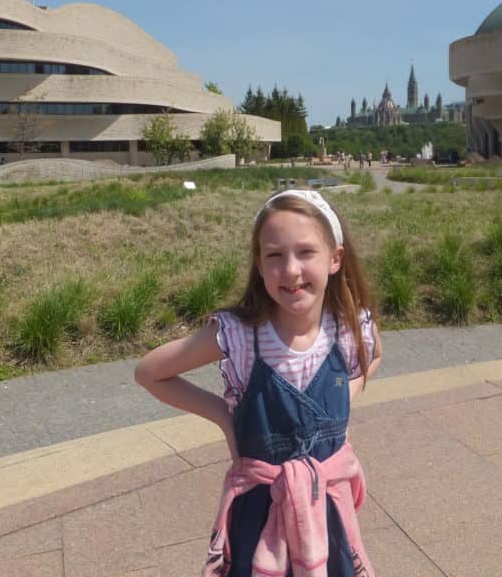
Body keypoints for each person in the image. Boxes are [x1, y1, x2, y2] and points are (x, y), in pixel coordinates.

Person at [135, 190, 381, 575]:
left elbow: (374, 354)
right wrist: (223, 415)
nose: (291, 269)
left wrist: (345, 399)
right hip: (260, 513)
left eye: (306, 252)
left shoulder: (349, 327)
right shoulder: (241, 336)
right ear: (259, 264)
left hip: (328, 511)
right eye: (275, 255)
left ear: (335, 258)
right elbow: (149, 372)